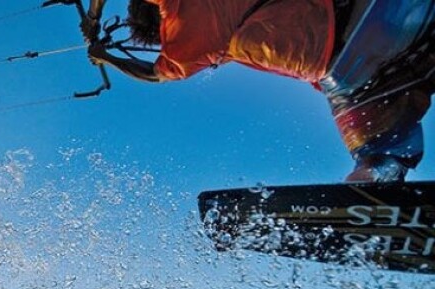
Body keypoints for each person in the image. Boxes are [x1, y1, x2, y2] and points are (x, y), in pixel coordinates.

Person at [82, 0, 435, 182]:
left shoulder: (181, 50)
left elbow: (152, 74)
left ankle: (374, 188)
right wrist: (94, 17)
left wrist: (106, 57)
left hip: (348, 70)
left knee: (379, 153)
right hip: (366, 27)